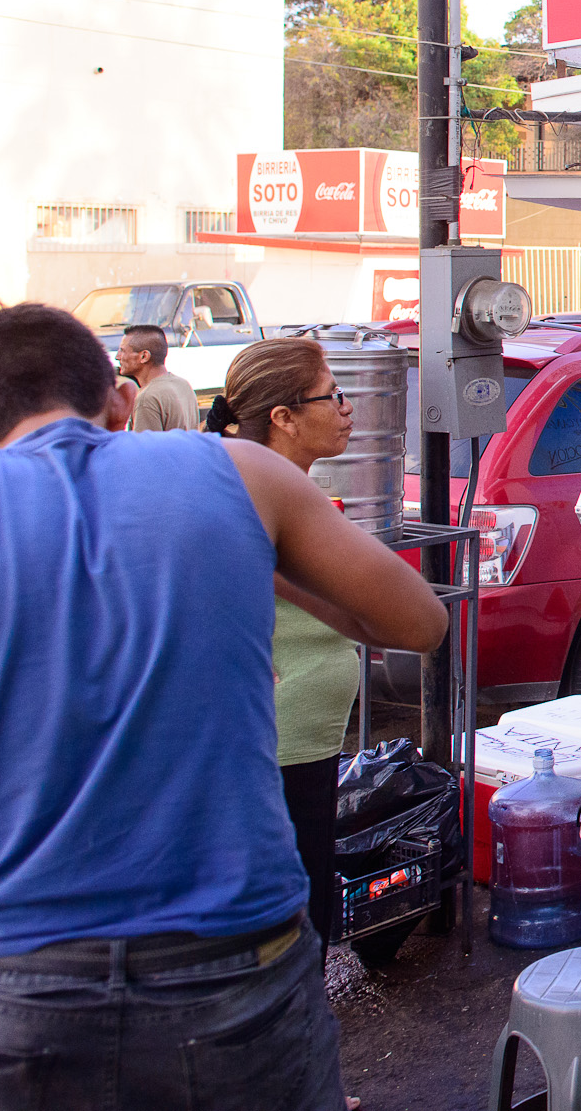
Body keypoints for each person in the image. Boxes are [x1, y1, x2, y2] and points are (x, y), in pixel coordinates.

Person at [0, 303, 445, 1111]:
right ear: (121, 402)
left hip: (11, 978)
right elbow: (418, 623)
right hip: (232, 965)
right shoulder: (239, 474)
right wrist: (264, 563)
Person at [203, 339, 367, 971]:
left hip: (302, 736)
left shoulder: (284, 491)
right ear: (284, 417)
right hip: (279, 739)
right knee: (291, 926)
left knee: (303, 914)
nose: (347, 408)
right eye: (333, 395)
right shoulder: (252, 495)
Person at [118, 323, 201, 431]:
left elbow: (146, 442)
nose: (117, 357)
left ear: (144, 356)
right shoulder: (183, 384)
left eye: (122, 351)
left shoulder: (147, 398)